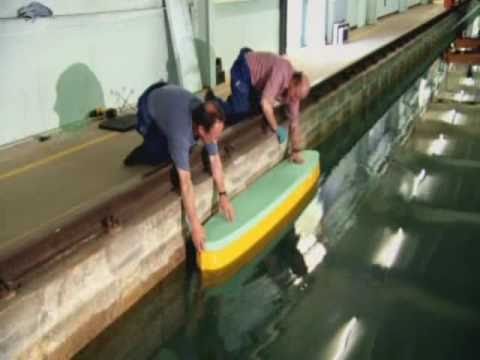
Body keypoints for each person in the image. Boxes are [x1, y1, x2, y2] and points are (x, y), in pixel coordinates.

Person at [124, 82, 235, 251]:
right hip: (148, 105)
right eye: (212, 137)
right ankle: (137, 155)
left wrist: (223, 194)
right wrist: (196, 226)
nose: (215, 141)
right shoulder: (180, 134)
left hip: (168, 94)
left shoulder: (207, 121)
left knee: (183, 151)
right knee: (159, 155)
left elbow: (215, 159)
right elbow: (186, 183)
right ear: (200, 130)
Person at [207, 48, 311, 163]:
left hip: (256, 82)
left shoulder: (294, 93)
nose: (295, 100)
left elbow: (294, 124)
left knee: (255, 112)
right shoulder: (281, 73)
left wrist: (295, 151)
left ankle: (236, 99)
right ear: (293, 82)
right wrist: (276, 128)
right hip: (243, 69)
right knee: (240, 112)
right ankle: (213, 102)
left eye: (298, 98)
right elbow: (265, 104)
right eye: (295, 95)